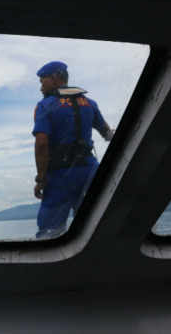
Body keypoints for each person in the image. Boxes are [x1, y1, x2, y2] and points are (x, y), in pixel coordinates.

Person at [32, 61, 114, 239]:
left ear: (53, 79)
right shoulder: (89, 103)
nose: (40, 87)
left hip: (62, 173)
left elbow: (41, 144)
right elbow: (106, 131)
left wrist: (41, 178)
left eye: (42, 81)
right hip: (91, 170)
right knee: (92, 223)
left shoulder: (45, 106)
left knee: (50, 230)